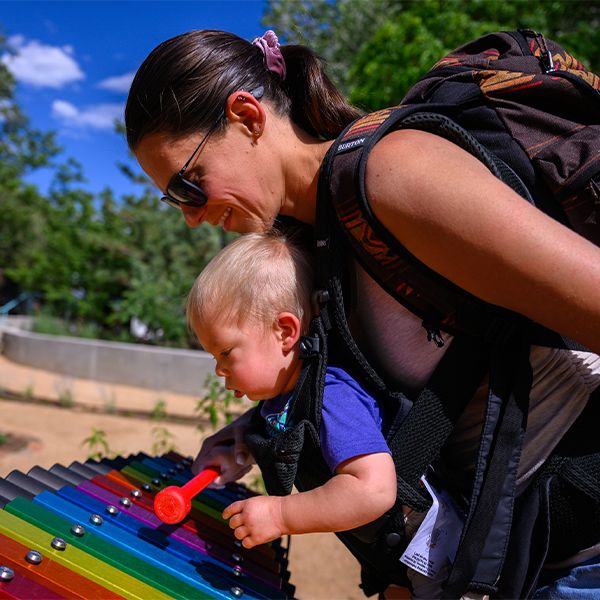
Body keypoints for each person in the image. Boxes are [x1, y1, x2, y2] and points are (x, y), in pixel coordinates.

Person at [125, 28, 600, 598]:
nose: (191, 218)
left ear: (247, 116)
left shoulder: (392, 175)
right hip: (518, 559)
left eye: (188, 186)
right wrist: (253, 432)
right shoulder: (316, 240)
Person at [186, 230, 464, 599]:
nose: (219, 369)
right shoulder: (282, 398)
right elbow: (283, 435)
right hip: (395, 560)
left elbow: (373, 490)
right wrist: (238, 450)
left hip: (434, 559)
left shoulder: (332, 397)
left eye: (225, 353)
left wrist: (280, 515)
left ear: (285, 332)